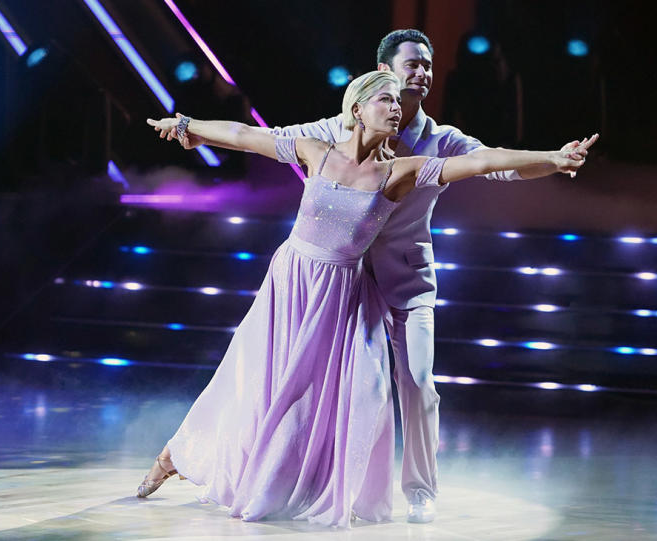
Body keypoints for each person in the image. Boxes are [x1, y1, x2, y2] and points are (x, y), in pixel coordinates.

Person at [169, 29, 597, 523]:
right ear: (381, 75)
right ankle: (303, 477)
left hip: (405, 281)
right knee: (336, 388)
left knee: (416, 381)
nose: (423, 72)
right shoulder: (336, 130)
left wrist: (552, 158)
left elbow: (489, 163)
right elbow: (257, 137)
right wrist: (191, 126)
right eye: (412, 63)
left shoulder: (441, 141)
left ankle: (419, 488)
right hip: (342, 288)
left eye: (428, 65)